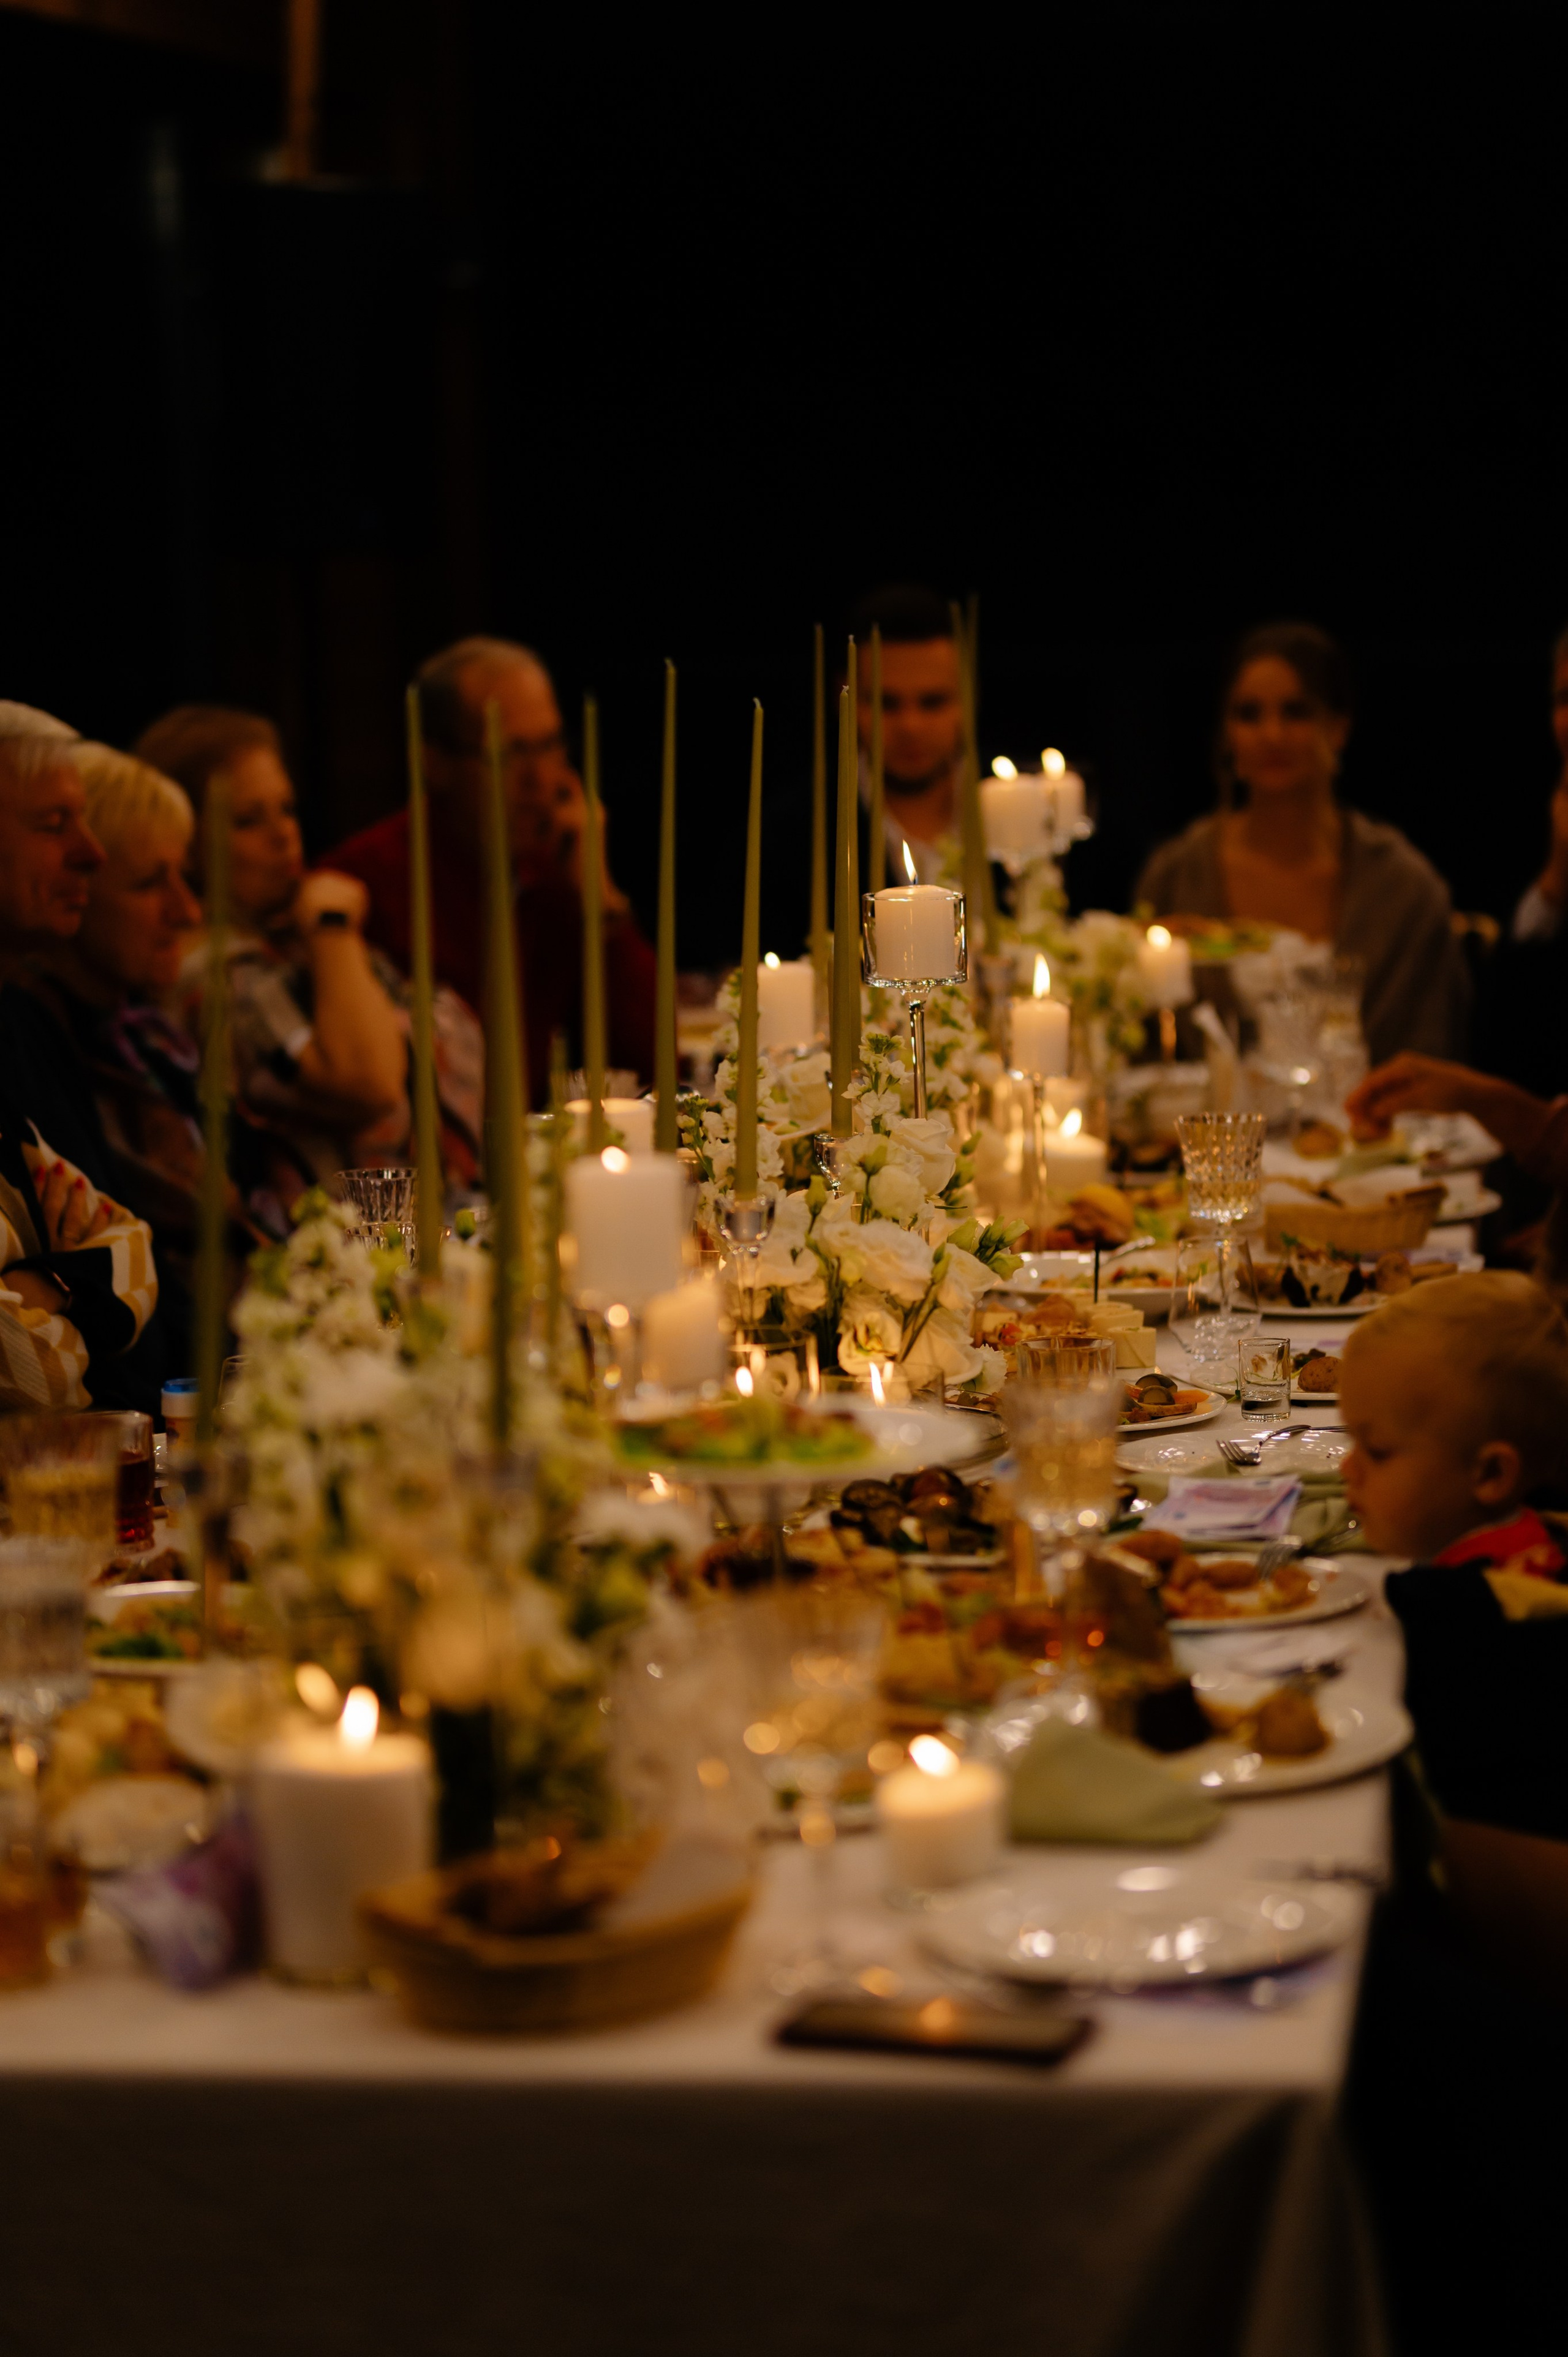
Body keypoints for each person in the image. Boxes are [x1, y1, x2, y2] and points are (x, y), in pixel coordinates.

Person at [20, 746, 306, 1363]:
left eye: (185, 878)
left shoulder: (149, 1039)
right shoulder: (41, 1045)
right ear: (81, 888)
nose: (188, 911)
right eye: (151, 883)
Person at [323, 638, 656, 1112]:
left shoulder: (555, 870)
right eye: (511, 753)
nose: (542, 780)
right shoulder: (367, 884)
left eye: (551, 745)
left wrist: (601, 902)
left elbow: (652, 1070)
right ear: (434, 763)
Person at [1136, 620, 1469, 1065]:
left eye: (1296, 712)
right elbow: (1138, 1049)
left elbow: (1432, 1052)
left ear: (1339, 727)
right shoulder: (1177, 876)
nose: (1272, 734)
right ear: (1227, 735)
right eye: (1249, 714)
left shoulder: (1404, 890)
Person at [133, 706, 412, 1193]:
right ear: (187, 847)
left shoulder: (281, 942)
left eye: (287, 809)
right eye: (248, 821)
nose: (284, 834)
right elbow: (371, 1084)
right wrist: (332, 928)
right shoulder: (212, 974)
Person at [0, 728, 160, 1411]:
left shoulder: (21, 1023)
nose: (91, 853)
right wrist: (79, 1290)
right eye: (52, 823)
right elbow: (30, 1374)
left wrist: (50, 1287)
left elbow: (136, 1248)